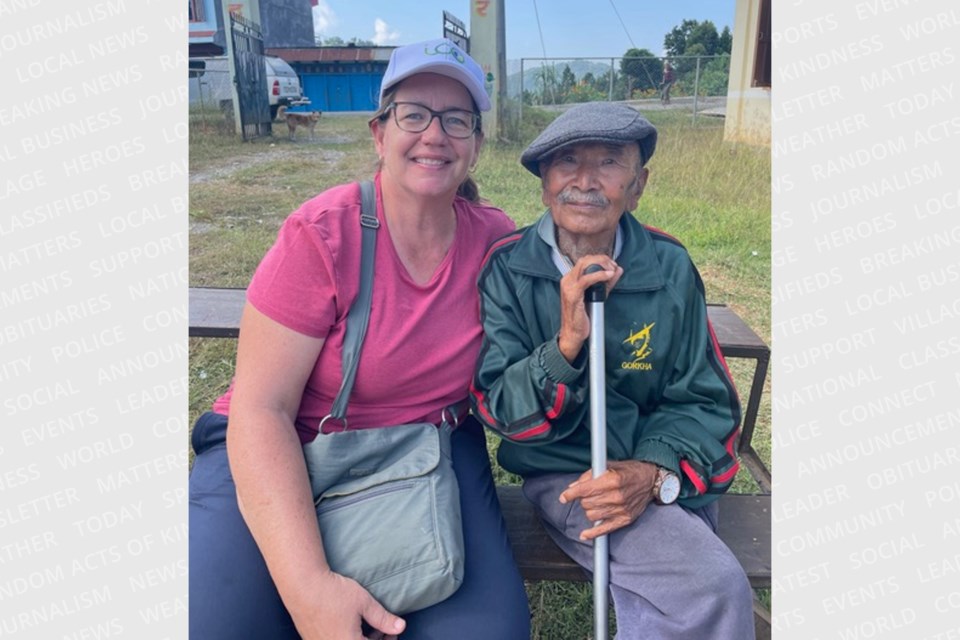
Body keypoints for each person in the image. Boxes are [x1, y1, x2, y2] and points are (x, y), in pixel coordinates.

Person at [189, 38, 530, 640]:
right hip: (288, 441)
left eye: (457, 119)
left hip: (430, 448)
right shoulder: (321, 236)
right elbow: (261, 409)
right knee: (213, 623)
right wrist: (310, 589)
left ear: (476, 146)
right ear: (379, 134)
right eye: (414, 114)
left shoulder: (496, 243)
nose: (435, 134)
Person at [470, 101, 755, 639]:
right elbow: (498, 406)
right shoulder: (508, 268)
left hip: (653, 462)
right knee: (711, 585)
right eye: (567, 161)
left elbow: (705, 401)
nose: (584, 181)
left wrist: (650, 474)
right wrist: (566, 344)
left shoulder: (668, 266)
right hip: (569, 474)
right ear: (544, 183)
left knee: (696, 587)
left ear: (638, 184)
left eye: (608, 163)